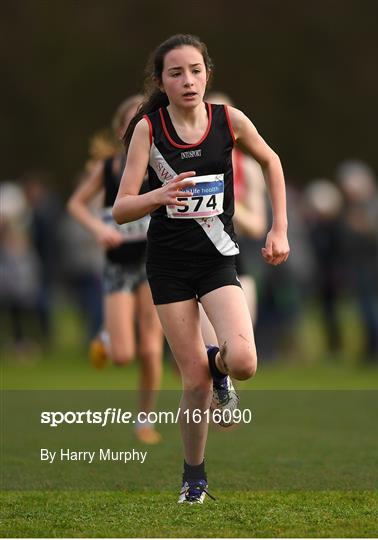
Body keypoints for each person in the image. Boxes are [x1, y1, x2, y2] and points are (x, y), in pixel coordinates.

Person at [113, 34, 289, 503]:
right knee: (193, 381)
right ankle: (194, 479)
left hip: (217, 258)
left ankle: (220, 368)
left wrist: (280, 229)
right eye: (176, 73)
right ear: (161, 81)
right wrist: (158, 196)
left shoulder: (227, 121)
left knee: (245, 361)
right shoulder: (148, 130)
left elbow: (272, 162)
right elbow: (121, 208)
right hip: (168, 267)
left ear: (207, 73)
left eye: (195, 70)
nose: (187, 80)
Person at [67, 95, 164, 445]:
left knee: (152, 348)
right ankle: (107, 340)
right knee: (124, 356)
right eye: (131, 120)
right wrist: (99, 229)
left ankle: (144, 421)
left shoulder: (163, 165)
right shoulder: (108, 168)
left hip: (154, 264)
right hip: (118, 266)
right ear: (121, 130)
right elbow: (75, 204)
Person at [198, 92, 267, 345]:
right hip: (196, 261)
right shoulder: (186, 159)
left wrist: (226, 201)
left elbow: (257, 227)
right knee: (211, 351)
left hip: (238, 263)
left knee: (240, 351)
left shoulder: (248, 168)